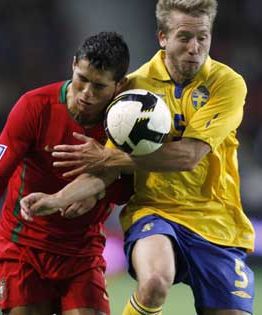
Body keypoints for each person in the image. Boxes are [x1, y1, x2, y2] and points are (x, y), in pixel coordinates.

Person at [20, 1, 256, 315]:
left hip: (218, 219)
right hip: (154, 211)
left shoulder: (226, 84)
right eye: (184, 37)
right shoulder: (134, 90)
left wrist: (110, 160)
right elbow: (105, 168)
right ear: (163, 37)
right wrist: (58, 198)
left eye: (203, 37)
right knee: (155, 282)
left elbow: (188, 155)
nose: (194, 47)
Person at [0, 31, 132, 315]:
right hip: (23, 248)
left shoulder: (125, 124)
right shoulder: (34, 107)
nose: (86, 94)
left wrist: (98, 191)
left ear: (120, 85)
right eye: (82, 78)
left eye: (99, 86)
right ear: (73, 65)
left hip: (83, 253)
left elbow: (128, 188)